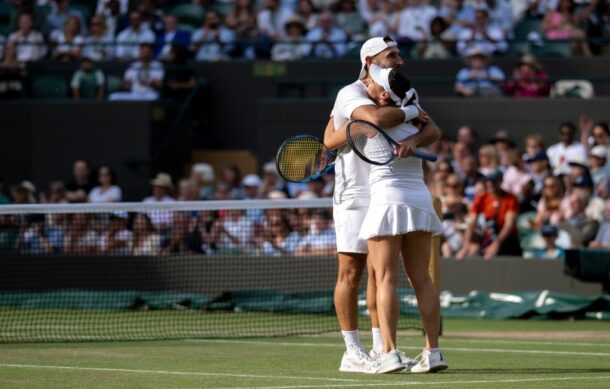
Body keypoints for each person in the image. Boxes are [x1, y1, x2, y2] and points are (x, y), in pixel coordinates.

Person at [323, 37, 441, 374]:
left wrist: (414, 136)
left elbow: (431, 128)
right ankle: (352, 350)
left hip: (385, 191)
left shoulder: (402, 90)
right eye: (393, 55)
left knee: (379, 274)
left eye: (400, 54)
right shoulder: (350, 93)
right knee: (352, 271)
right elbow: (368, 121)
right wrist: (410, 112)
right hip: (354, 194)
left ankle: (381, 348)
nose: (400, 60)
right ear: (370, 60)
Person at [357, 64, 446, 374]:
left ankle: (390, 352)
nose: (365, 83)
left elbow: (360, 126)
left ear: (383, 93)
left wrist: (414, 142)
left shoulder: (369, 113)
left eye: (372, 82)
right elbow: (434, 130)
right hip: (420, 199)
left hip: (388, 200)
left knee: (385, 279)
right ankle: (433, 352)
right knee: (422, 277)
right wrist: (415, 137)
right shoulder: (414, 111)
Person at [457, 171, 522, 260]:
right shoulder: (482, 198)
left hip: (507, 240)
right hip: (490, 237)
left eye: (494, 181)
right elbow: (472, 223)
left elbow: (508, 225)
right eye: (489, 181)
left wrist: (496, 244)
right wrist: (465, 247)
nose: (491, 184)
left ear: (500, 181)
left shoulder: (510, 199)